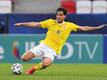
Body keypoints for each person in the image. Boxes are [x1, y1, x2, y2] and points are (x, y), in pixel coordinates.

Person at [15, 8, 104, 75]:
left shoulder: (69, 25)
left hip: (53, 50)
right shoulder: (50, 22)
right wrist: (22, 24)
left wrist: (95, 28)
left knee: (46, 63)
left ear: (64, 16)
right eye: (57, 14)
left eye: (61, 15)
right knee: (24, 58)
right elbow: (36, 24)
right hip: (43, 45)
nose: (59, 16)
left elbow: (83, 28)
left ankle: (33, 68)